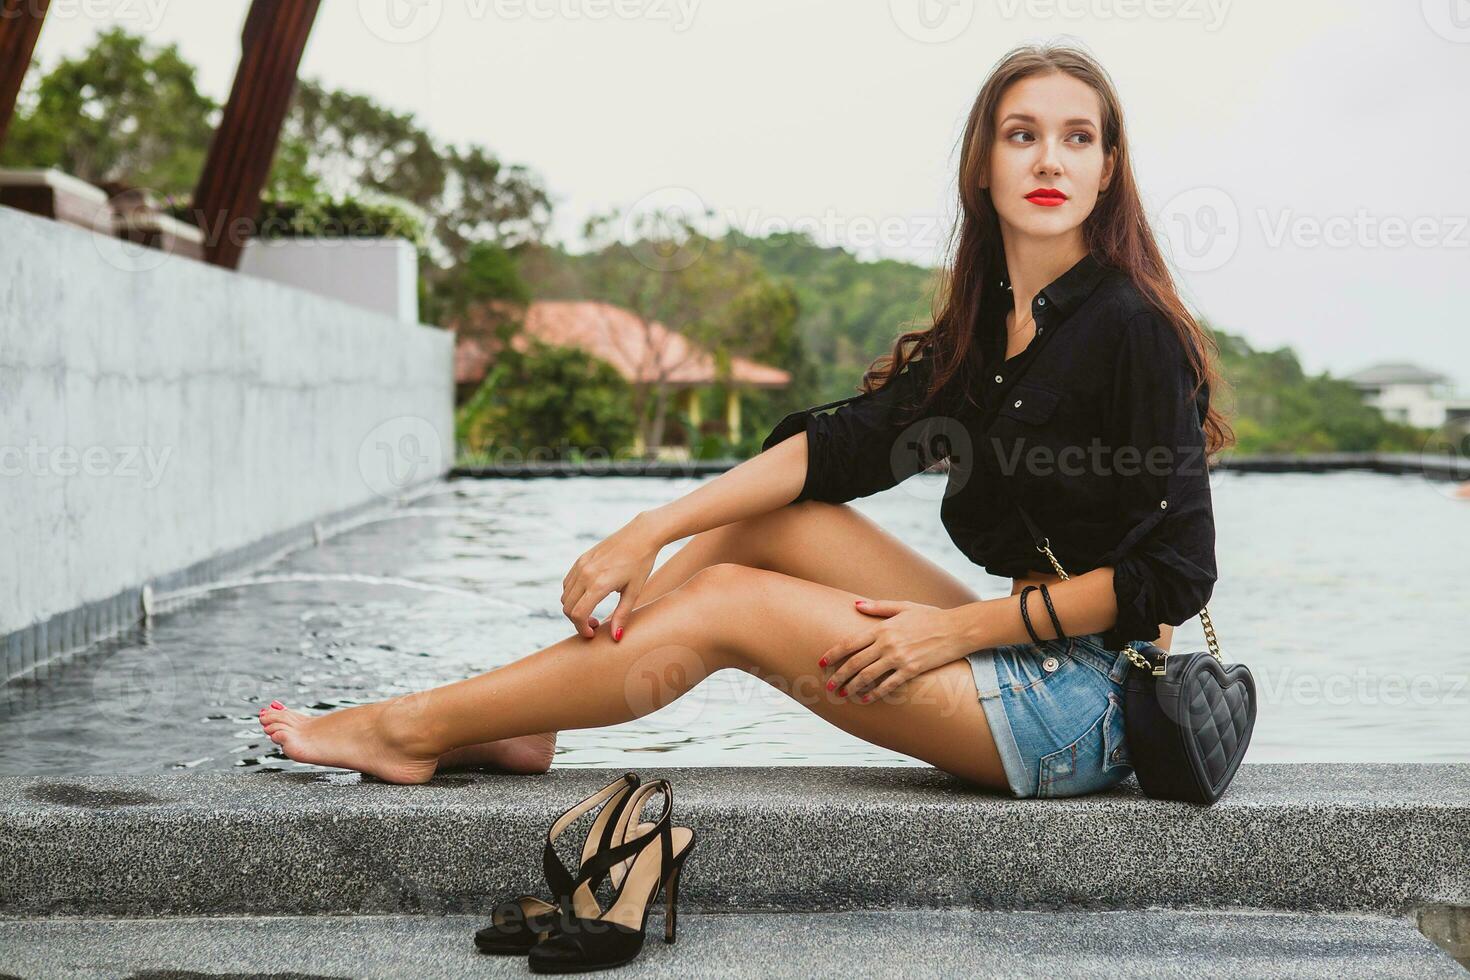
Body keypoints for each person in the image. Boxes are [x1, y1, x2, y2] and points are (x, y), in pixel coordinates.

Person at [258, 42, 1233, 799]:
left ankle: (410, 726)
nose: (1049, 158)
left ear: (1109, 170)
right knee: (760, 520)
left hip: (1085, 705)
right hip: (1019, 649)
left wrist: (953, 632)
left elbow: (1178, 574)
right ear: (983, 164)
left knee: (725, 604)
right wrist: (654, 525)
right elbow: (839, 449)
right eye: (1022, 134)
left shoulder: (1131, 329)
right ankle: (520, 719)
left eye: (1078, 136)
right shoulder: (985, 335)